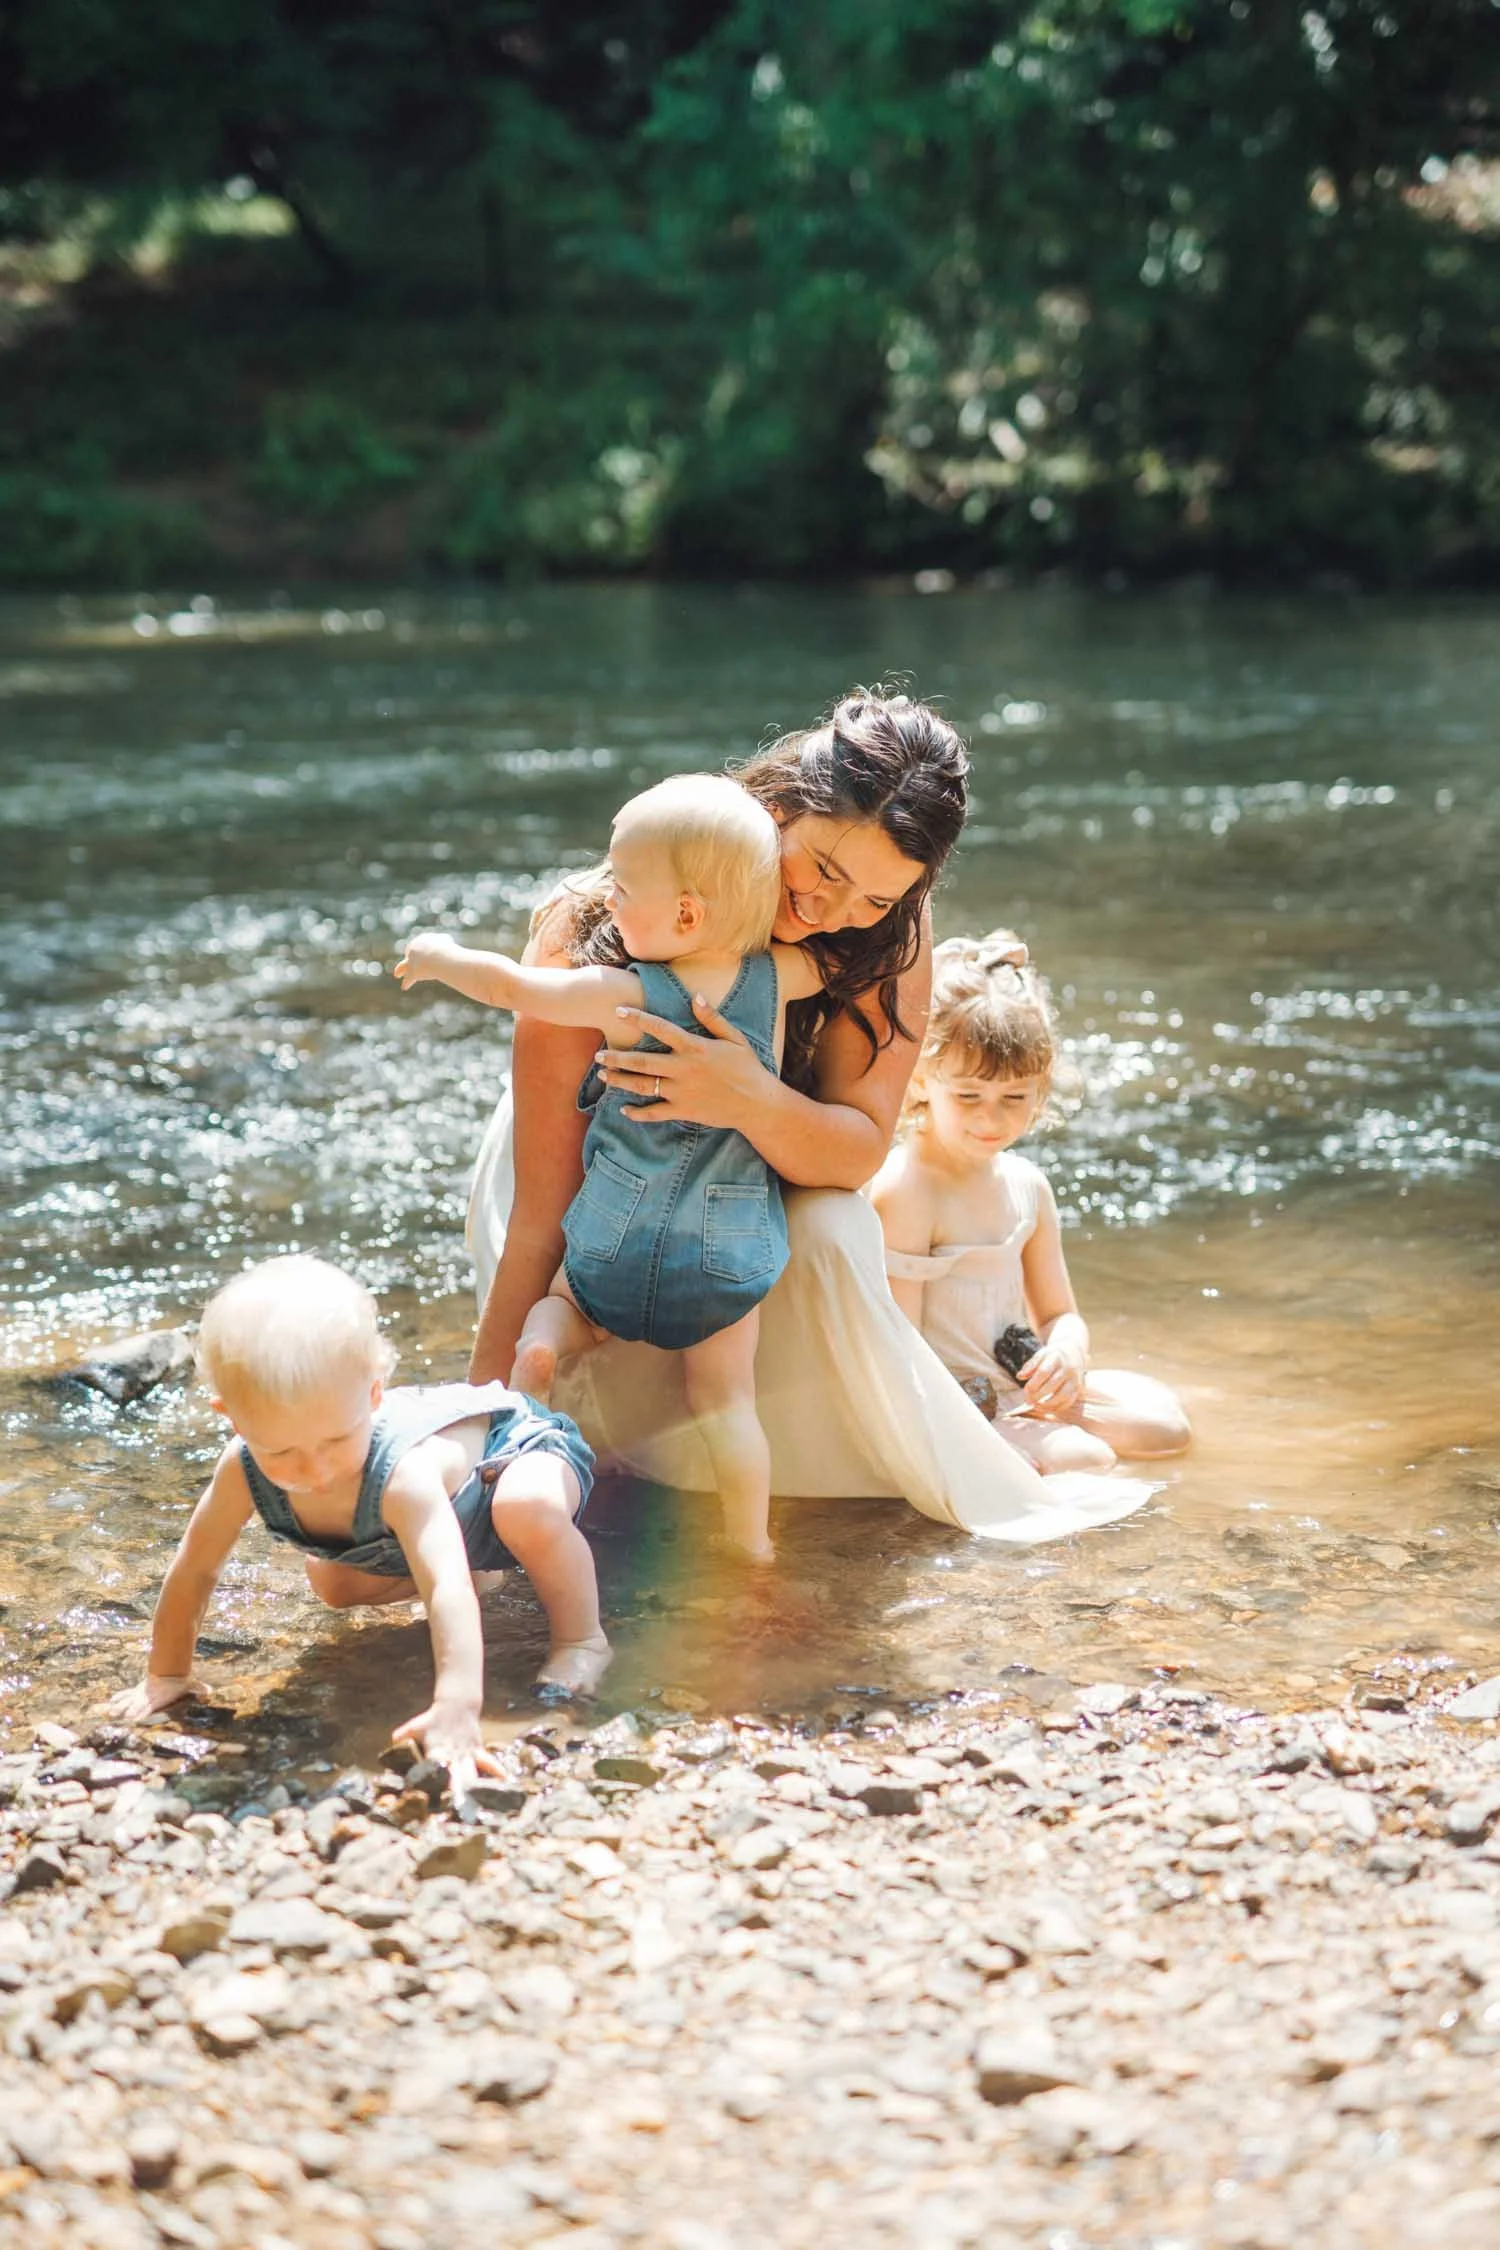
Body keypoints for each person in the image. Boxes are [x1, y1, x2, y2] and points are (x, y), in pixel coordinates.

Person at [468, 689, 1153, 1543]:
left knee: (833, 1228)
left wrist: (743, 1094)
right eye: (824, 871)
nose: (834, 913)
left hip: (745, 1191)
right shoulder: (607, 920)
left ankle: (813, 1475)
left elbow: (858, 1151)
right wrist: (472, 1436)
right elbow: (541, 1209)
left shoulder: (888, 931)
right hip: (595, 1185)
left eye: (872, 900)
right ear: (777, 807)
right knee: (516, 1432)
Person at [396, 775, 828, 1565]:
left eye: (622, 890)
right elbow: (838, 968)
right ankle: (751, 1543)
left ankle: (534, 1379)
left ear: (686, 914)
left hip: (616, 1238)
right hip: (725, 1251)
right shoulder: (780, 980)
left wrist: (440, 955)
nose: (609, 904)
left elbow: (512, 987)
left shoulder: (623, 992)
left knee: (561, 1314)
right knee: (729, 1402)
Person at [109, 1256, 607, 1776]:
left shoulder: (403, 1474)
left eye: (336, 1440)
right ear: (230, 1418)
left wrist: (457, 1708)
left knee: (524, 1509)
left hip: (509, 1456)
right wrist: (165, 1674)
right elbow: (195, 1569)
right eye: (281, 1452)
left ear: (373, 1395)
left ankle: (582, 1639)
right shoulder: (240, 1467)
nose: (315, 1469)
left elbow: (445, 1590)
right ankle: (488, 1568)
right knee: (333, 1581)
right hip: (450, 1514)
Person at [871, 932, 1191, 1472]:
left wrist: (1067, 1356)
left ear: (1040, 1090)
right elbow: (899, 1349)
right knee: (1087, 1458)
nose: (990, 1118)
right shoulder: (909, 1188)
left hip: (1016, 1385)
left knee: (1167, 1427)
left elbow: (1059, 1313)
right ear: (924, 1079)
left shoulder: (1027, 1186)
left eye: (1014, 1098)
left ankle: (1044, 1432)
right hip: (957, 1403)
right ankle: (1036, 1446)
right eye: (969, 1095)